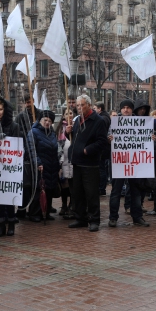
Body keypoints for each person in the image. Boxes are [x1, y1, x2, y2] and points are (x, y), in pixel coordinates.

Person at [66, 95, 108, 232]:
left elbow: (102, 142)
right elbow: (75, 138)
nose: (79, 108)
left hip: (90, 163)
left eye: (81, 105)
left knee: (91, 194)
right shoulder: (78, 120)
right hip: (77, 162)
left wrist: (87, 150)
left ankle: (94, 220)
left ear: (89, 105)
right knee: (78, 193)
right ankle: (80, 218)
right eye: (77, 105)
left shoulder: (98, 121)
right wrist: (68, 133)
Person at [108, 99, 148, 228]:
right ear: (120, 109)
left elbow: (145, 140)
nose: (126, 109)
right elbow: (108, 136)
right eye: (123, 107)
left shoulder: (140, 122)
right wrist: (110, 139)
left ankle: (137, 217)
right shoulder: (114, 122)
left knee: (135, 191)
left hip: (134, 163)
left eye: (128, 107)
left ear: (132, 109)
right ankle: (113, 218)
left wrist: (151, 138)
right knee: (116, 191)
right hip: (119, 162)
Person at [0, 97, 20, 237]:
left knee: (9, 197)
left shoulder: (14, 126)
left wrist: (6, 139)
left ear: (6, 111)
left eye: (1, 109)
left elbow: (18, 146)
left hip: (10, 168)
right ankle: (0, 224)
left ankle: (11, 223)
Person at [27, 110, 59, 222]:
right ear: (40, 120)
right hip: (40, 167)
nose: (47, 123)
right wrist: (38, 162)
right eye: (45, 120)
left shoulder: (52, 133)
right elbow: (32, 150)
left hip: (52, 166)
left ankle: (46, 211)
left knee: (49, 190)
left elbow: (56, 148)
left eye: (49, 121)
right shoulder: (33, 132)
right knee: (38, 190)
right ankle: (34, 213)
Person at [57, 110, 74, 219]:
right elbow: (59, 145)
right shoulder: (60, 129)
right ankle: (63, 205)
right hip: (64, 160)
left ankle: (71, 205)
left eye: (71, 113)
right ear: (63, 115)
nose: (69, 115)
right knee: (64, 184)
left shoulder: (77, 125)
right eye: (67, 113)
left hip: (73, 160)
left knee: (73, 184)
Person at [95, 102, 112, 195]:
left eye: (95, 108)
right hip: (105, 147)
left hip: (103, 148)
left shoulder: (103, 118)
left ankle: (101, 188)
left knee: (101, 169)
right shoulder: (105, 117)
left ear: (99, 109)